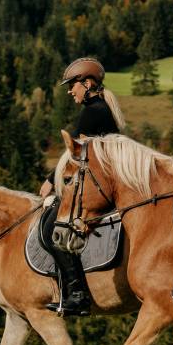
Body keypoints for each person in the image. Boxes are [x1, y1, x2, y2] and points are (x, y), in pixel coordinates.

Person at [36, 56, 126, 315]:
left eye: (72, 84)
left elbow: (75, 156)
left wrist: (50, 182)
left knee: (52, 226)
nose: (69, 90)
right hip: (105, 182)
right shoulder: (101, 109)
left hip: (98, 187)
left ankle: (77, 293)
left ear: (87, 83)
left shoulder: (92, 113)